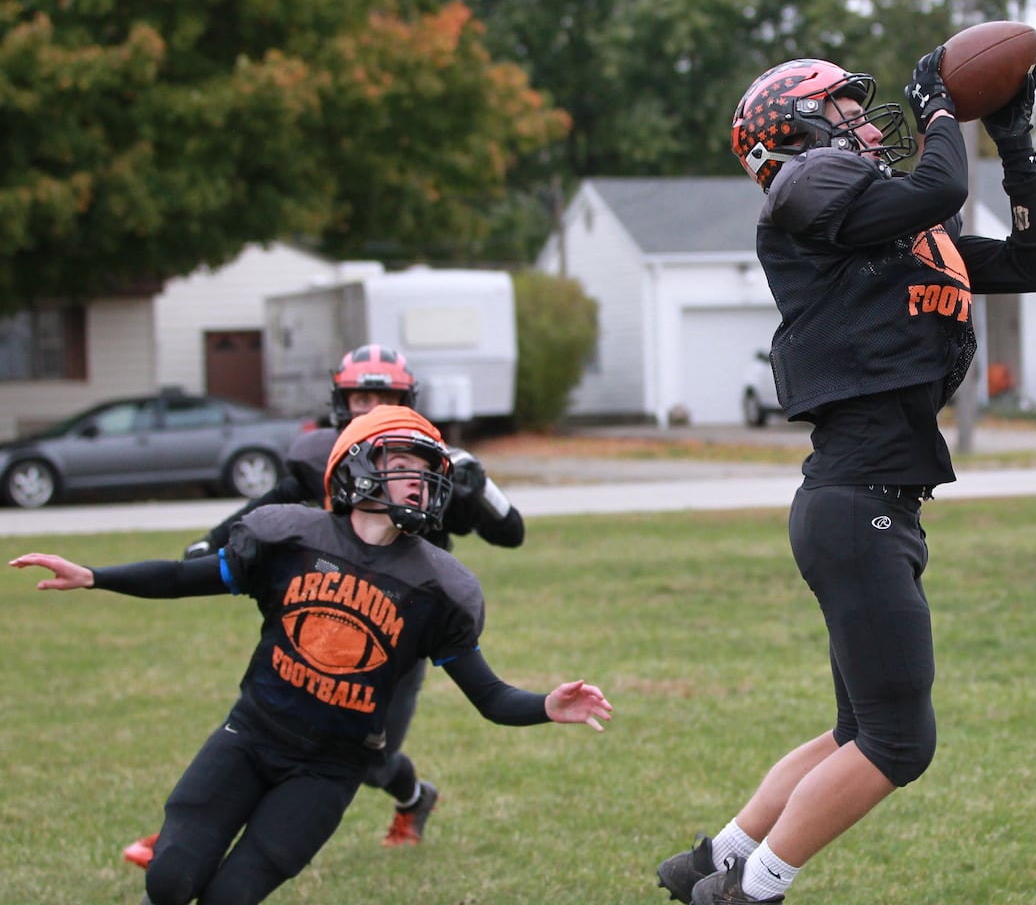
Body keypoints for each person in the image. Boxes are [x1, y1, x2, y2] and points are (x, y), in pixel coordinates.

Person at [656, 44, 1036, 904]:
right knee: (897, 743)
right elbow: (940, 185)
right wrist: (941, 110)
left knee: (857, 731)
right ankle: (750, 892)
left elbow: (1034, 265)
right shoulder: (801, 185)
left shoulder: (888, 224)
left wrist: (1014, 144)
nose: (862, 118)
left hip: (869, 499)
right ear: (793, 127)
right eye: (841, 105)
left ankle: (713, 863)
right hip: (855, 500)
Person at [12, 405, 611, 905]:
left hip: (329, 768)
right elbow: (179, 577)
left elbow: (489, 696)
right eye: (400, 465)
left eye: (426, 470)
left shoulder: (439, 588)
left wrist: (544, 706)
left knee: (229, 897)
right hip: (248, 735)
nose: (418, 480)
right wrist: (94, 575)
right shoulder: (289, 538)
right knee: (170, 879)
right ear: (357, 469)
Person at [122, 344, 526, 870]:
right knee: (263, 722)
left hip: (400, 628)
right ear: (341, 402)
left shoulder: (430, 463)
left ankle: (413, 796)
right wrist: (210, 543)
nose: (371, 409)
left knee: (372, 759)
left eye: (386, 397)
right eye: (361, 396)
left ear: (410, 403)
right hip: (314, 608)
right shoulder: (322, 458)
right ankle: (189, 833)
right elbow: (268, 505)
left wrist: (481, 492)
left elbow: (511, 531)